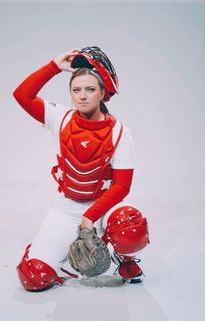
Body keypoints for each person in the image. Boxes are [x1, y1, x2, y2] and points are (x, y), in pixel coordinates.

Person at [13, 47, 149, 292]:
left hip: (104, 206)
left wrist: (90, 218)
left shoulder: (120, 132)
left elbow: (121, 186)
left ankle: (124, 258)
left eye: (90, 89)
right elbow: (22, 95)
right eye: (76, 90)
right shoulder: (60, 116)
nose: (82, 96)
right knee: (34, 276)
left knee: (129, 225)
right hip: (68, 207)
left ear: (102, 93)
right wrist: (54, 66)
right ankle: (55, 250)